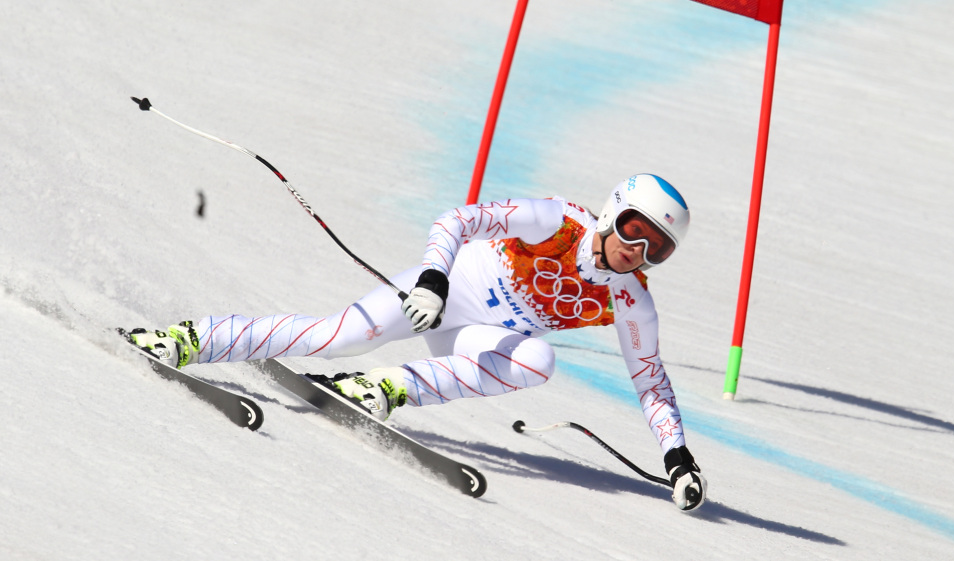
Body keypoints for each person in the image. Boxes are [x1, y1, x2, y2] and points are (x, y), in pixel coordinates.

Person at [124, 173, 707, 511]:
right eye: (635, 229)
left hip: (482, 336)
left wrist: (675, 456)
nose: (639, 251)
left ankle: (385, 390)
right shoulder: (557, 221)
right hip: (444, 294)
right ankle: (190, 337)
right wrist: (433, 278)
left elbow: (650, 379)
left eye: (659, 248)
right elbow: (457, 220)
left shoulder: (630, 300)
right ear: (613, 214)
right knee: (339, 336)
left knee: (537, 360)